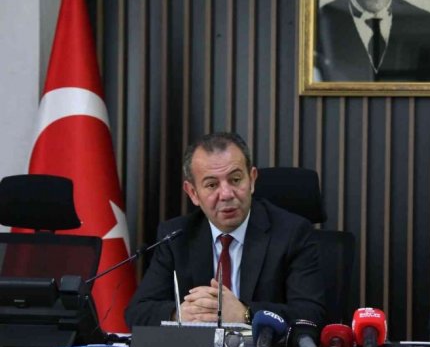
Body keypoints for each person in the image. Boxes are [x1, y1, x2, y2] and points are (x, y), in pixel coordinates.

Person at [125, 132, 326, 327]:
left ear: (252, 180)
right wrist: (179, 313)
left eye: (235, 180)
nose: (226, 194)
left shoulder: (292, 233)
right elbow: (137, 312)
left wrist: (245, 313)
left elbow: (311, 314)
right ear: (193, 193)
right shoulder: (177, 236)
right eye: (212, 185)